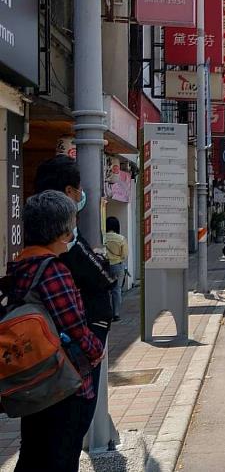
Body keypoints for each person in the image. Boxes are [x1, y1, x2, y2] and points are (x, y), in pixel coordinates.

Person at [7, 191, 105, 472]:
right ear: (62, 230)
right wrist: (95, 351)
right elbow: (74, 326)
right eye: (72, 223)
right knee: (60, 457)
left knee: (33, 455)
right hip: (61, 382)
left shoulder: (20, 266)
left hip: (33, 379)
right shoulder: (53, 270)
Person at [33, 155, 116, 440]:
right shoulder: (57, 263)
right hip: (68, 365)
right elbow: (101, 280)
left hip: (40, 368)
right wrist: (94, 347)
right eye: (79, 189)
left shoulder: (26, 260)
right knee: (66, 437)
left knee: (41, 443)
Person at [104, 216, 128, 321]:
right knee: (116, 290)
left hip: (104, 266)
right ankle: (116, 313)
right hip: (117, 265)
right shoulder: (121, 238)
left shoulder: (103, 237)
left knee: (105, 289)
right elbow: (124, 255)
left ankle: (106, 312)